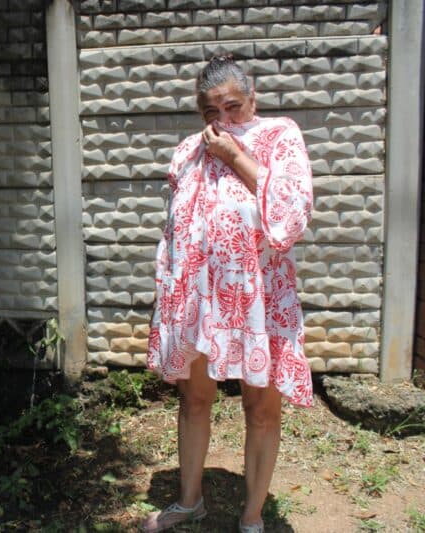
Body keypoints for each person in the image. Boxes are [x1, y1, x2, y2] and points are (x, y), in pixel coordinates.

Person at [140, 55, 314, 533]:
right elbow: (173, 230)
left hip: (260, 302)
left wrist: (235, 157)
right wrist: (169, 294)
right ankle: (190, 500)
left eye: (232, 107)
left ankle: (252, 516)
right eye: (210, 112)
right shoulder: (186, 152)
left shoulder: (279, 136)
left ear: (252, 98)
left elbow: (293, 213)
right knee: (194, 399)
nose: (221, 122)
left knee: (260, 409)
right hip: (200, 301)